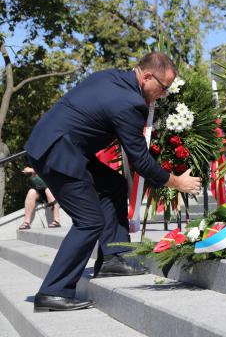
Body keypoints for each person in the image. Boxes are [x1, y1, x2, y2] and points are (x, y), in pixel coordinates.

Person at [25, 52, 201, 312]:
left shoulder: (111, 77)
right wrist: (176, 182)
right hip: (59, 153)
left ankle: (113, 258)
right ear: (147, 77)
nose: (163, 95)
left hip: (59, 144)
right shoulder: (130, 103)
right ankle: (53, 291)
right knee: (89, 222)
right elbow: (140, 160)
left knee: (113, 184)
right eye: (163, 88)